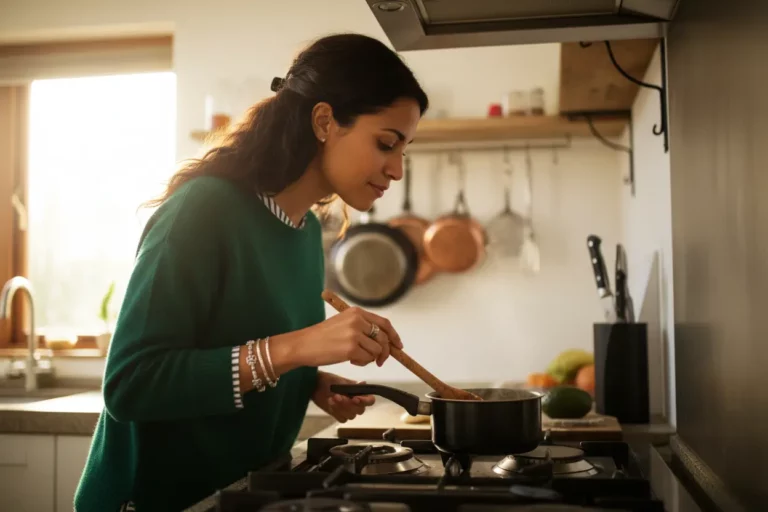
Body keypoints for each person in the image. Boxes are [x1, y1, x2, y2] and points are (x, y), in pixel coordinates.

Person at [74, 33, 429, 511]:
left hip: (245, 493)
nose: (397, 170)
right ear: (325, 121)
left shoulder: (305, 230)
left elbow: (244, 349)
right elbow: (132, 384)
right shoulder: (202, 212)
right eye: (387, 143)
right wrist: (299, 348)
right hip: (157, 500)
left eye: (403, 150)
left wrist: (311, 381)